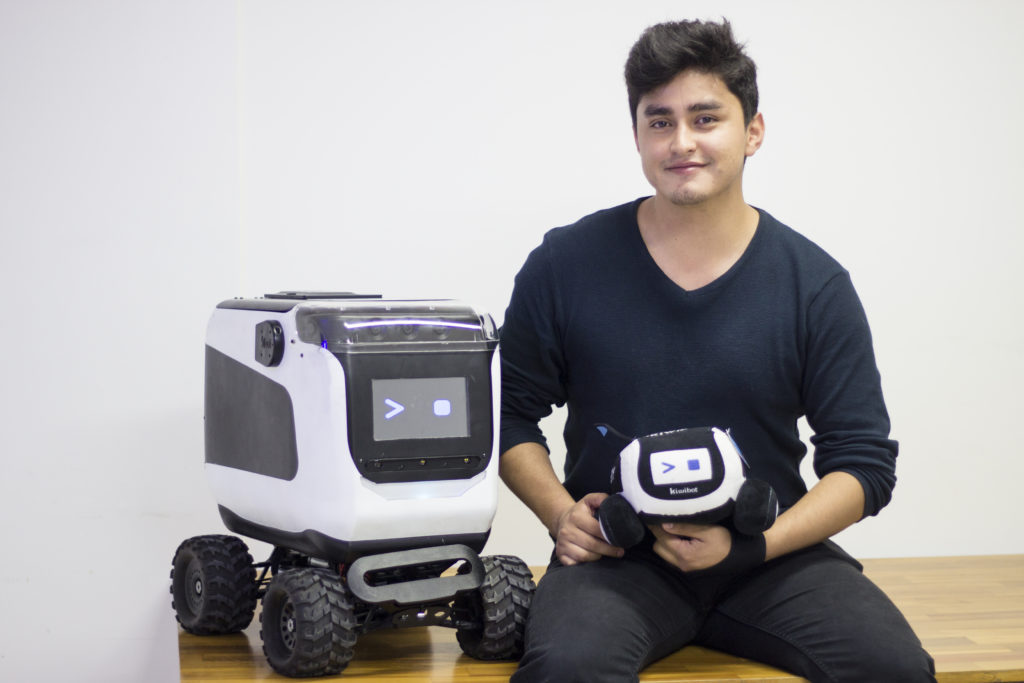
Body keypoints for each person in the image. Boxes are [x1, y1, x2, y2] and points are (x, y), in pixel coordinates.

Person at [498, 19, 936, 683]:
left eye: (706, 118)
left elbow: (864, 463)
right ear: (638, 135)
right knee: (569, 669)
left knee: (895, 669)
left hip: (771, 555)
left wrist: (751, 546)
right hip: (620, 561)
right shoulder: (564, 263)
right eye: (660, 121)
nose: (682, 142)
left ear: (753, 130)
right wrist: (563, 515)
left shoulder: (813, 283)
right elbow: (508, 417)